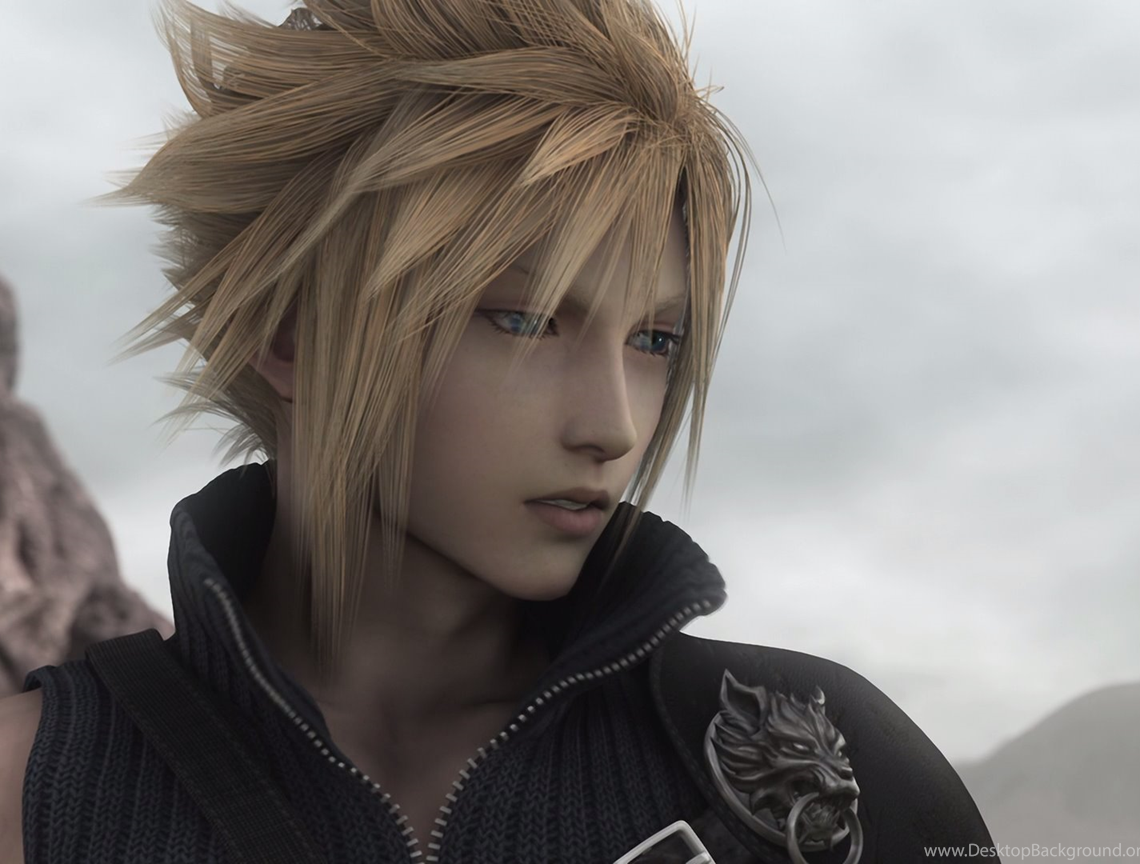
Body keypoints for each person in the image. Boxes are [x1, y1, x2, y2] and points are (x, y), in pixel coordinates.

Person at [0, 1, 998, 862]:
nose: (613, 426)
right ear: (288, 333)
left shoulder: (818, 765)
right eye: (525, 320)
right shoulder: (28, 789)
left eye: (656, 340)